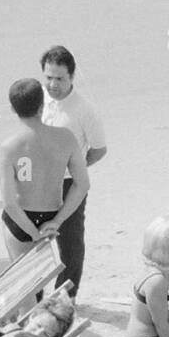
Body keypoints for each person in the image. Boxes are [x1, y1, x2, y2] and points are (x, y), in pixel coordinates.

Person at [0, 77, 89, 266]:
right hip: (51, 216)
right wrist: (58, 221)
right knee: (40, 278)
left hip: (21, 220)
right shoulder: (66, 138)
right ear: (42, 105)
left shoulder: (8, 147)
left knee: (25, 283)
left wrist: (33, 234)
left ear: (13, 109)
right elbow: (82, 184)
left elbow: (10, 204)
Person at [40, 46, 107, 295]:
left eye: (60, 78)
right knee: (35, 239)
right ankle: (34, 295)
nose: (53, 84)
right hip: (39, 182)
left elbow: (99, 149)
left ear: (71, 77)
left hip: (70, 184)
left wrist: (76, 167)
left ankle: (66, 296)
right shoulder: (39, 99)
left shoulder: (84, 109)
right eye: (49, 77)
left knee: (70, 242)